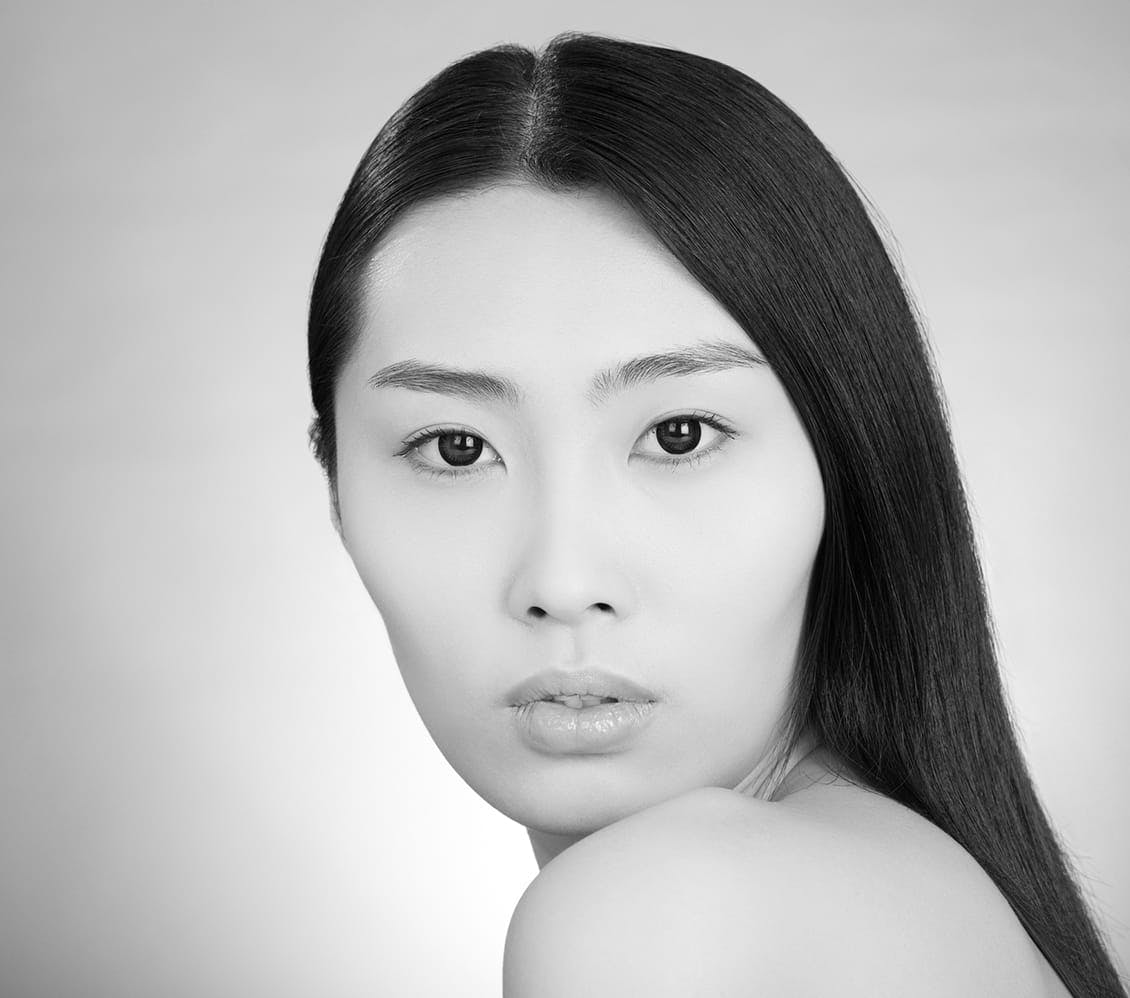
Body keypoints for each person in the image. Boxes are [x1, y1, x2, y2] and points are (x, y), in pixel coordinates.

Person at [305, 31, 1126, 998]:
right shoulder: (908, 887)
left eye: (682, 435)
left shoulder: (670, 909)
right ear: (336, 490)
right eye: (455, 448)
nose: (564, 583)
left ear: (845, 458)